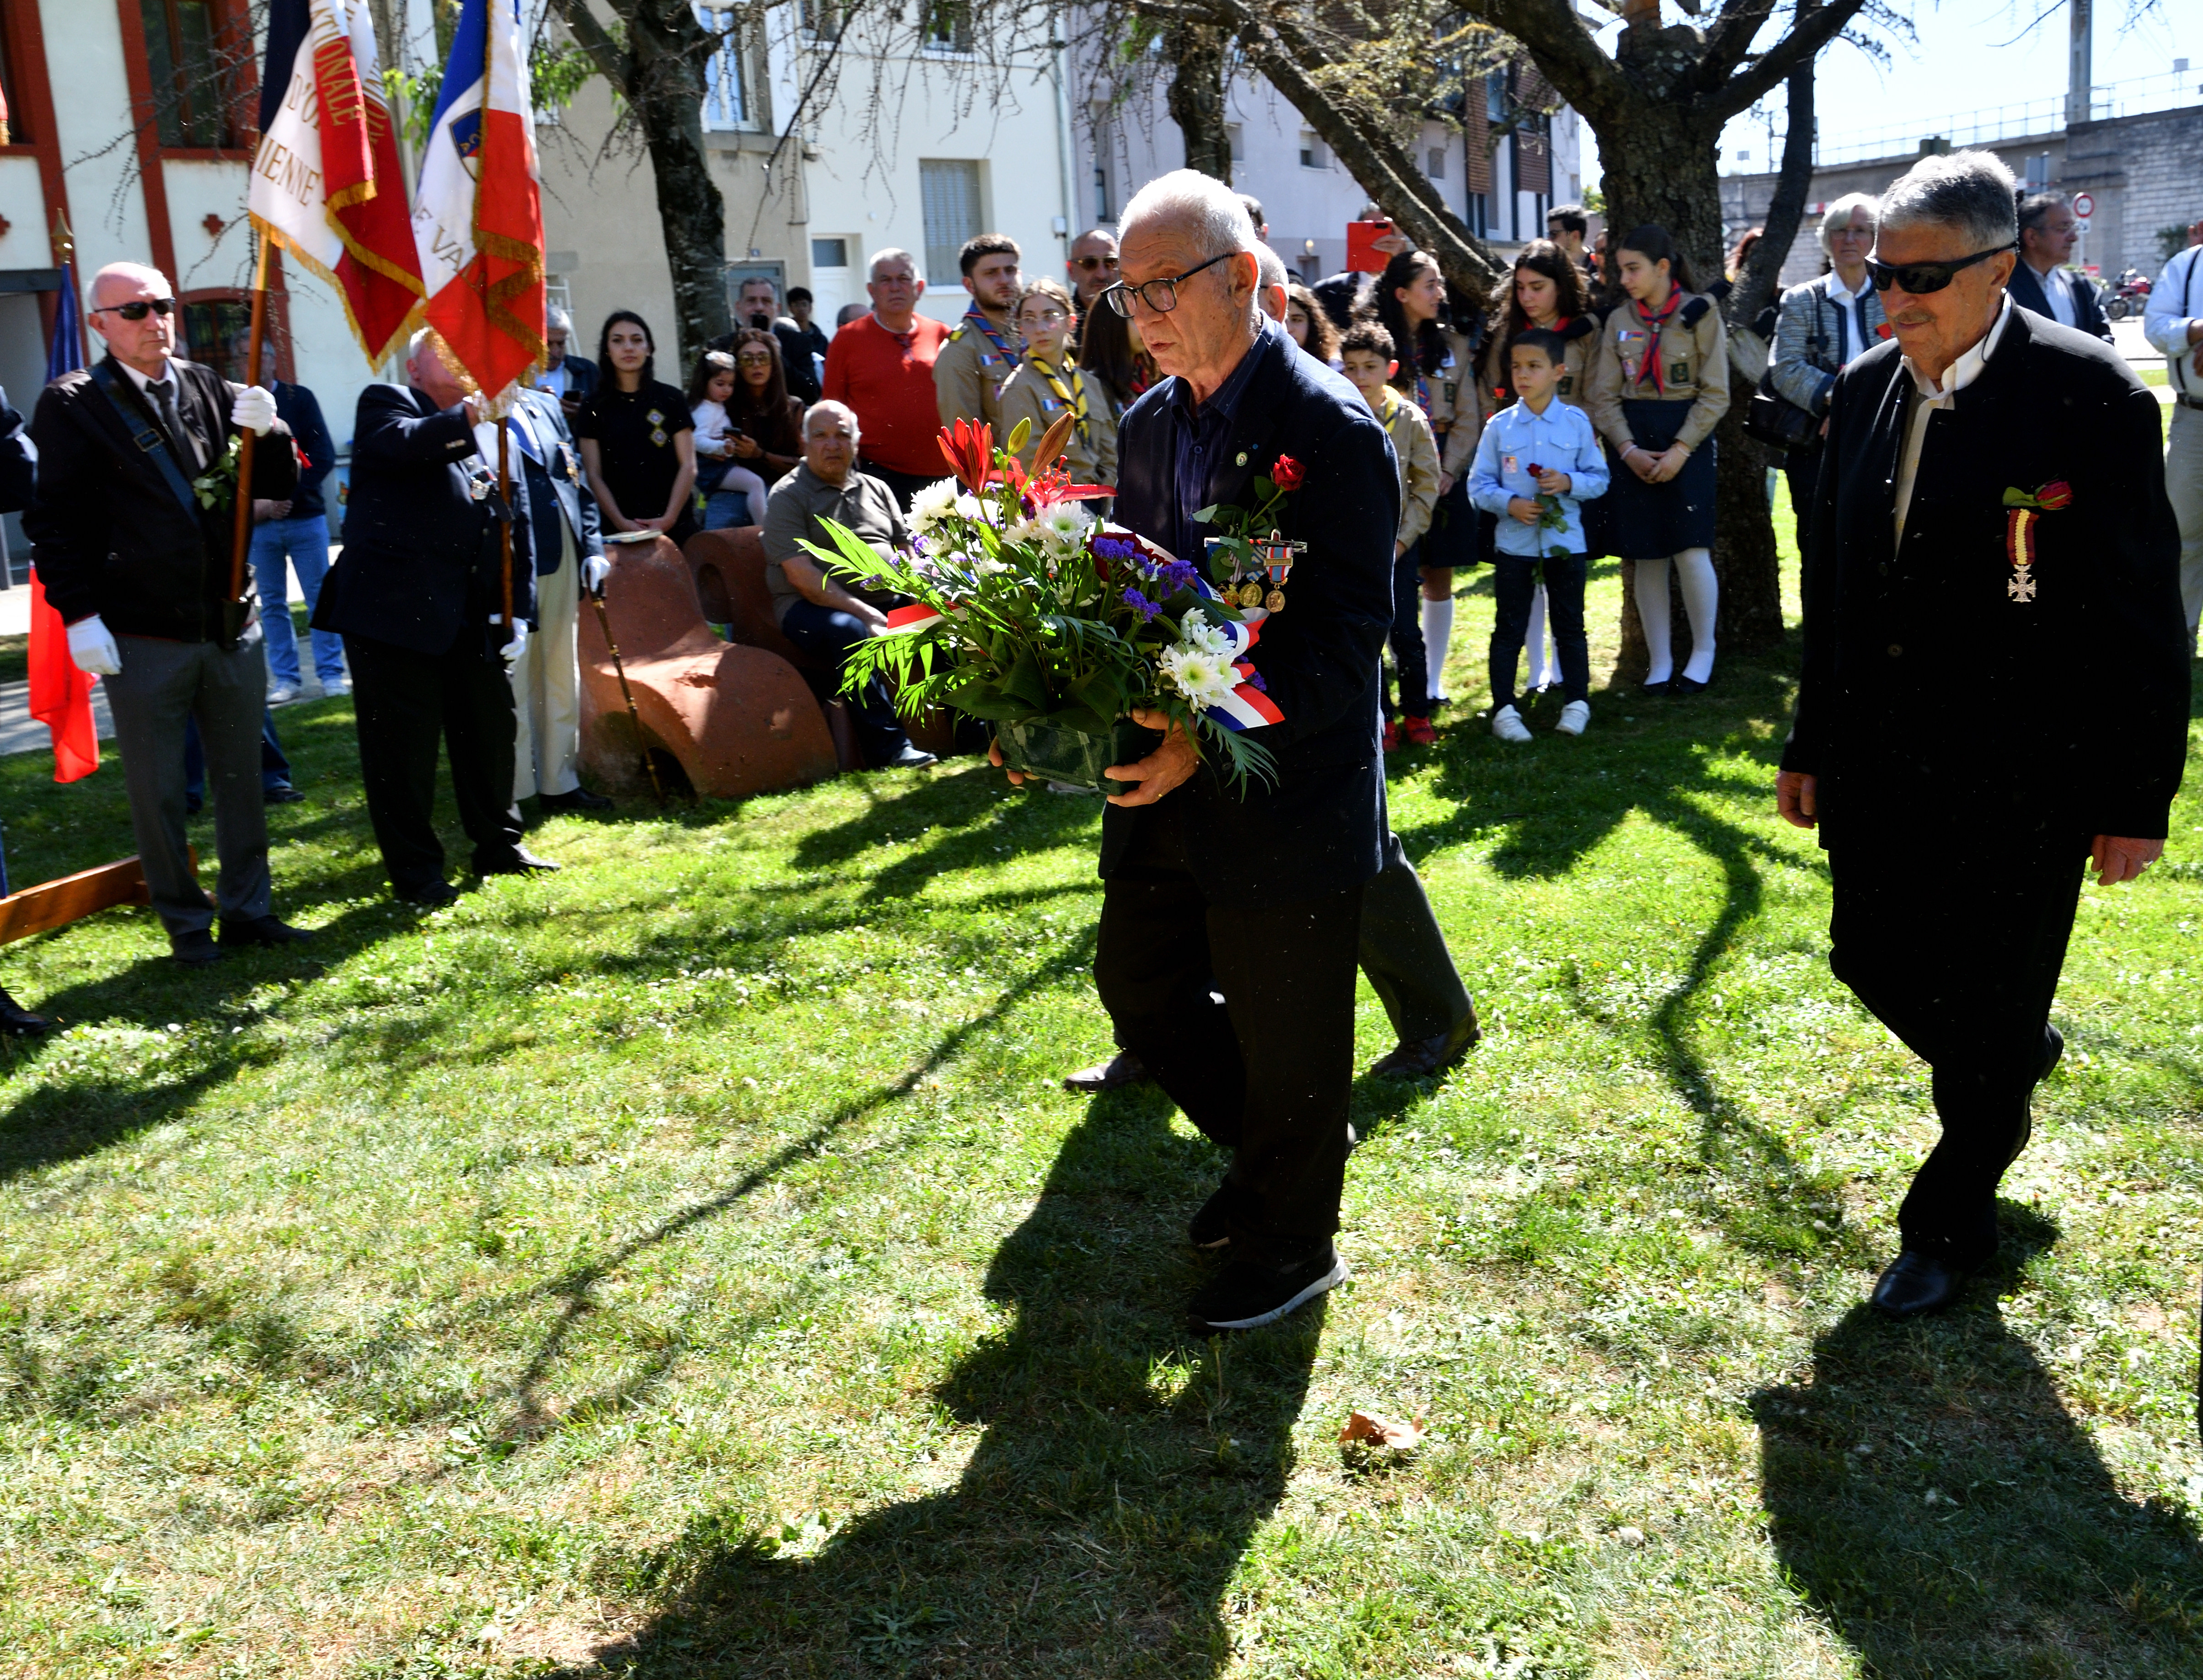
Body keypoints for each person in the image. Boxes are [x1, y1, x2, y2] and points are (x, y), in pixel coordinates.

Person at [1777, 147, 2187, 1318]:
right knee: (1871, 955)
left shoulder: (2090, 396)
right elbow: (1840, 586)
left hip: (2029, 773)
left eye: (1922, 277)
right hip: (1877, 755)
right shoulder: (1859, 389)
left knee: (1994, 1001)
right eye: (1882, 276)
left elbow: (2140, 611)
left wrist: (2133, 797)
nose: (1893, 297)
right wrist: (1809, 740)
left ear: (2000, 266)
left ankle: (1950, 1222)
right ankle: (2007, 1060)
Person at [1008, 170, 1396, 1332]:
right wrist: (1054, 700)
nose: (1142, 316)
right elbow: (1141, 599)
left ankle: (1292, 1242)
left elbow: (1340, 645)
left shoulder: (1326, 428)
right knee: (1141, 980)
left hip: (1285, 789)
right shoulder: (1150, 422)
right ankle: (1284, 1148)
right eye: (1125, 294)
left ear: (1239, 277)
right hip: (1158, 778)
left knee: (1289, 1024)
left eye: (1162, 287)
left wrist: (1209, 734)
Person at [30, 260, 306, 966]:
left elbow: (274, 493)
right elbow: (53, 521)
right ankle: (186, 924)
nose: (155, 321)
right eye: (135, 312)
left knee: (244, 777)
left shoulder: (210, 385)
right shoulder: (73, 403)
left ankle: (248, 910)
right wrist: (79, 614)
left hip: (228, 619)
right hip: (142, 628)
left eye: (163, 306)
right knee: (157, 791)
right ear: (100, 325)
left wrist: (270, 432)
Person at [312, 327, 550, 904]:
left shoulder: (489, 433)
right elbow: (403, 443)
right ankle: (416, 874)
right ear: (415, 369)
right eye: (446, 353)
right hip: (394, 615)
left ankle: (500, 843)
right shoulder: (387, 402)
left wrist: (517, 611)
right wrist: (473, 414)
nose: (464, 363)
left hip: (471, 615)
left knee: (490, 735)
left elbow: (509, 521)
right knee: (403, 754)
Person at [1585, 223, 1730, 694]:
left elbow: (1715, 392)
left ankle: (1702, 654)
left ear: (1662, 268)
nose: (1624, 278)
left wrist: (1681, 450)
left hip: (1685, 438)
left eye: (1633, 269)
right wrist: (1626, 449)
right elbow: (1602, 395)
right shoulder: (1618, 322)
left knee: (1690, 550)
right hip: (1634, 442)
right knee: (1645, 554)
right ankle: (1660, 660)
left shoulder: (1699, 313)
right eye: (1620, 269)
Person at [761, 400, 936, 771]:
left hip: (883, 601)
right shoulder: (787, 495)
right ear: (804, 442)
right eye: (821, 436)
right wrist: (867, 613)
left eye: (842, 435)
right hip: (810, 609)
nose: (832, 444)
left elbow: (907, 549)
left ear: (857, 442)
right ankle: (890, 749)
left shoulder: (876, 487)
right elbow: (801, 576)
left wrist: (924, 586)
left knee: (943, 619)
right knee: (850, 632)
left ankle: (975, 731)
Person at [1470, 328, 1609, 741]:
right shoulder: (1499, 426)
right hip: (1515, 544)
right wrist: (1508, 503)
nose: (1523, 375)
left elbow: (1599, 478)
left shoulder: (1576, 422)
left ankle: (1577, 702)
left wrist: (1568, 482)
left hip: (1566, 544)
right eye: (1517, 366)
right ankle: (1504, 708)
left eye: (1534, 366)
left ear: (1558, 372)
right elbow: (1477, 485)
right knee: (1509, 625)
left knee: (1569, 623)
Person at [1479, 242, 1598, 697]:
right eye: (1521, 288)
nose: (1528, 297)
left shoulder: (1585, 331)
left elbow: (1596, 391)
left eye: (1538, 287)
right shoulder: (1506, 332)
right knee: (1513, 605)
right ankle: (1528, 677)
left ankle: (1568, 684)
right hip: (1512, 475)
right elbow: (1493, 390)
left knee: (1566, 606)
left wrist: (1567, 468)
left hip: (1568, 472)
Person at [1369, 248, 1479, 704]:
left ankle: (1431, 682)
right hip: (1390, 477)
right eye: (1429, 285)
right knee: (1391, 576)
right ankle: (1399, 673)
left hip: (1443, 474)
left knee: (1439, 574)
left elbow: (1469, 414)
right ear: (1401, 293)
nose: (1439, 293)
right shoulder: (1376, 348)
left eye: (1439, 284)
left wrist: (1447, 469)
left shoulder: (1451, 346)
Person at [509, 382, 612, 811]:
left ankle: (559, 781)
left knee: (559, 669)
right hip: (509, 556)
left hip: (561, 550)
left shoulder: (543, 403)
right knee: (513, 677)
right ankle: (512, 789)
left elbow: (572, 480)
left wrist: (592, 545)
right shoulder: (467, 408)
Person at [1339, 320, 1439, 748]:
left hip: (1398, 549)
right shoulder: (1336, 414)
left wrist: (1402, 542)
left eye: (1369, 367)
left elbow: (1428, 484)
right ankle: (1383, 718)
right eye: (1351, 367)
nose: (1360, 377)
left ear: (1390, 368)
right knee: (1366, 634)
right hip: (1354, 551)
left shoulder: (1411, 419)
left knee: (1406, 634)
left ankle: (1418, 711)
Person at [1770, 194, 1885, 560]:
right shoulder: (1801, 299)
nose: (1849, 239)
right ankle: (1821, 619)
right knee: (1819, 548)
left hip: (1883, 439)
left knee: (1878, 543)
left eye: (1860, 231)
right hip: (1815, 446)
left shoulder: (1894, 296)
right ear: (1827, 238)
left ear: (1876, 238)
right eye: (1839, 230)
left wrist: (1854, 409)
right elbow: (1784, 368)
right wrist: (1839, 401)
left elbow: (1912, 361)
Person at [821, 248, 952, 508]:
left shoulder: (942, 333)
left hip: (945, 474)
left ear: (920, 287)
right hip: (878, 475)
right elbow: (832, 409)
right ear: (871, 290)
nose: (895, 288)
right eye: (885, 280)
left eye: (903, 279)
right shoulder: (848, 339)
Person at [249, 357, 345, 703]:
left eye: (258, 355)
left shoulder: (299, 398)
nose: (252, 363)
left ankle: (331, 674)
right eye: (243, 355)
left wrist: (289, 495)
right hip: (262, 525)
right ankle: (286, 679)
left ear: (273, 361)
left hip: (306, 518)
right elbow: (236, 463)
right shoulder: (238, 407)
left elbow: (322, 455)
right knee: (272, 603)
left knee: (320, 596)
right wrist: (265, 504)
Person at [576, 310, 697, 545]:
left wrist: (668, 519)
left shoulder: (672, 399)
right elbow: (593, 474)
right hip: (618, 529)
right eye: (618, 341)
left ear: (649, 348)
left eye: (637, 340)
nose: (628, 348)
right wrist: (621, 522)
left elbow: (689, 465)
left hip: (675, 526)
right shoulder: (593, 406)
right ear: (607, 351)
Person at [2143, 213, 2203, 649]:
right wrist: (2198, 330)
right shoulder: (2184, 267)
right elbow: (2155, 329)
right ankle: (2178, 634)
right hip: (2193, 421)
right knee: (2181, 533)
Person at [996, 279, 1118, 488]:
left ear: (1070, 322)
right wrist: (1078, 509)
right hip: (1060, 508)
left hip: (1103, 502)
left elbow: (1110, 452)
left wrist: (1106, 499)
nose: (1040, 328)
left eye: (1049, 317)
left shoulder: (1089, 383)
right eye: (1029, 319)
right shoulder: (1019, 388)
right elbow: (1031, 466)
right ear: (1021, 328)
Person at [934, 234, 1024, 433]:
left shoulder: (1036, 333)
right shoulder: (960, 349)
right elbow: (966, 439)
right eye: (991, 273)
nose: (1004, 280)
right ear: (969, 285)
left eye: (1010, 270)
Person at [2008, 193, 2112, 344]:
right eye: (2063, 228)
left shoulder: (2083, 289)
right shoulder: (2003, 290)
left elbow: (2104, 343)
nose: (2074, 237)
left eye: (2073, 227)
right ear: (2032, 237)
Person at [686, 349, 771, 530]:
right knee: (755, 483)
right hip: (712, 467)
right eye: (720, 384)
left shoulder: (715, 406)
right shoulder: (704, 410)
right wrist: (720, 447)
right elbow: (696, 440)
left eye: (730, 385)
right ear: (705, 382)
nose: (726, 390)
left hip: (719, 465)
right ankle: (765, 531)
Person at [711, 274, 822, 405]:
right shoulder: (721, 346)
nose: (759, 308)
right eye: (751, 301)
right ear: (738, 307)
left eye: (766, 301)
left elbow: (811, 394)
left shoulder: (798, 343)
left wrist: (778, 357)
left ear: (778, 309)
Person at [721, 326, 806, 488]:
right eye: (747, 359)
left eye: (763, 358)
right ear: (737, 367)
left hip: (787, 490)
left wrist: (758, 454)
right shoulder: (725, 407)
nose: (756, 365)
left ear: (773, 364)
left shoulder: (794, 407)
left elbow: (803, 464)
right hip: (738, 489)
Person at [1313, 203, 1411, 328]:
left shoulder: (1411, 291)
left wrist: (1403, 261)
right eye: (1370, 230)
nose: (1378, 239)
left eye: (1384, 229)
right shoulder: (1325, 291)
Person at [1076, 290, 1157, 419]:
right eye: (1134, 318)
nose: (1144, 325)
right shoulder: (1092, 386)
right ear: (1111, 327)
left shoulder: (1146, 378)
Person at [534, 307, 598, 421]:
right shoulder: (516, 376)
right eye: (548, 344)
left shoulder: (588, 371)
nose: (555, 352)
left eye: (561, 343)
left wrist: (584, 413)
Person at [1284, 281, 1341, 367]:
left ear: (1312, 323)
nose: (1288, 329)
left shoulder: (1333, 366)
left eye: (1297, 320)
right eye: (1282, 320)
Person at [1065, 226, 1121, 311]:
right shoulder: (1063, 322)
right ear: (1071, 271)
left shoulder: (1138, 315)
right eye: (1089, 263)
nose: (1101, 275)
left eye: (1110, 262)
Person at [785, 285, 831, 386]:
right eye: (797, 305)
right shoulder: (787, 337)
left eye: (804, 304)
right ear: (790, 308)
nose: (801, 309)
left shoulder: (821, 339)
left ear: (810, 308)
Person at [1547, 204, 1598, 291]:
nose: (1549, 240)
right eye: (1549, 235)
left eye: (1554, 234)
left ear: (1575, 236)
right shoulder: (1548, 265)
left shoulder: (1598, 263)